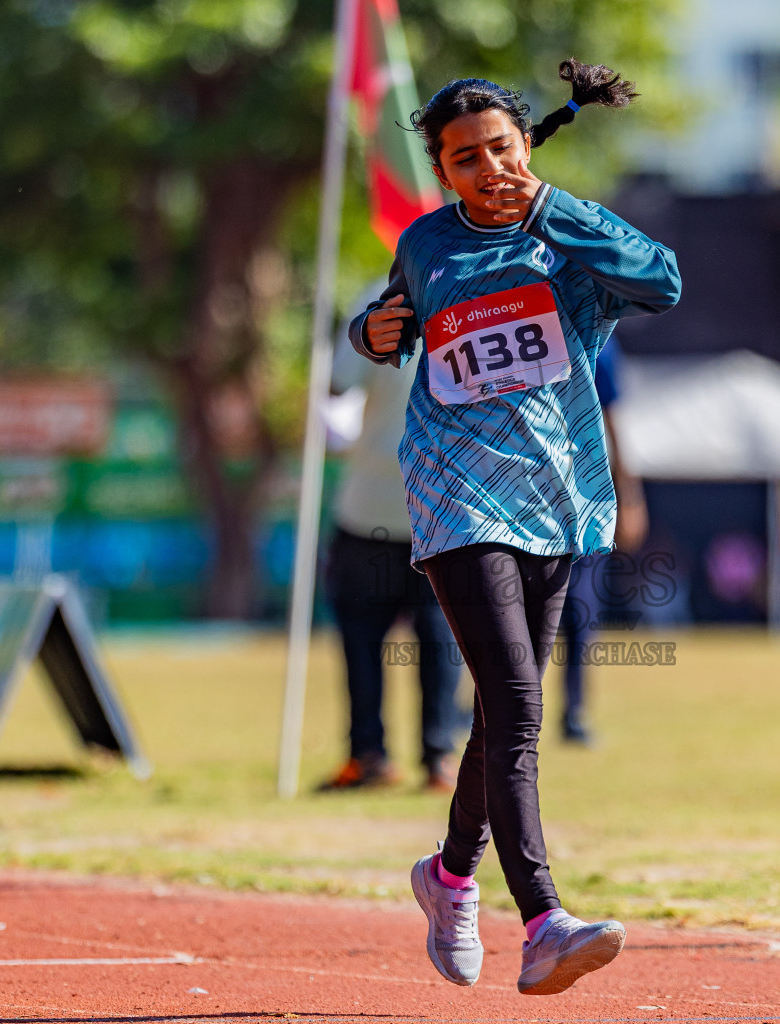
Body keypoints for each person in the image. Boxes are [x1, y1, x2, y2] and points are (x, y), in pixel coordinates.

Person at [349, 60, 680, 996]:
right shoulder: (425, 243)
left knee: (504, 711)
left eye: (499, 146)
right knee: (521, 707)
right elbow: (386, 321)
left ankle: (449, 879)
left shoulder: (569, 232)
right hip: (456, 496)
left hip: (557, 494)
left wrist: (552, 210)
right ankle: (543, 920)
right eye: (463, 157)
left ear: (526, 145)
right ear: (443, 171)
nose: (484, 165)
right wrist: (368, 331)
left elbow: (663, 283)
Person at [317, 294, 462, 793]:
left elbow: (336, 390)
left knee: (363, 637)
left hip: (372, 505)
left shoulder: (374, 300)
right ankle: (439, 759)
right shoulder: (485, 297)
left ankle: (368, 756)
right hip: (447, 509)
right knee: (442, 639)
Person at [555, 336, 648, 744]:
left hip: (584, 495)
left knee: (581, 611)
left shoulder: (600, 340)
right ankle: (481, 709)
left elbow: (612, 421)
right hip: (522, 490)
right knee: (505, 607)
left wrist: (629, 497)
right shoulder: (519, 317)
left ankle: (574, 712)